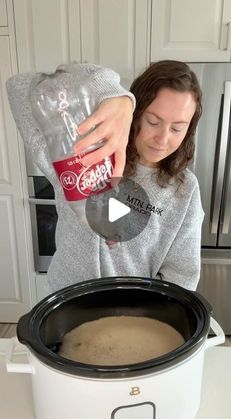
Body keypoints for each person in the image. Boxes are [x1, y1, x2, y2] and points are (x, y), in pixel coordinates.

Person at [6, 60, 204, 293]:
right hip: (66, 301)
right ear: (135, 114)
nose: (162, 139)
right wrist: (113, 94)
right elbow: (18, 88)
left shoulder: (184, 190)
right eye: (153, 121)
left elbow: (181, 275)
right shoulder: (83, 151)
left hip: (128, 314)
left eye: (177, 128)